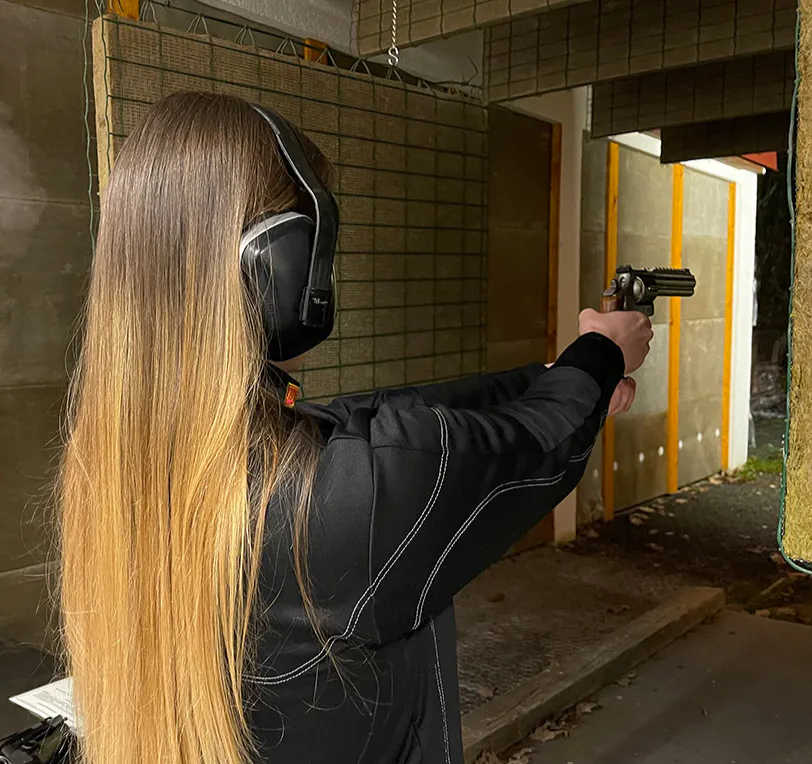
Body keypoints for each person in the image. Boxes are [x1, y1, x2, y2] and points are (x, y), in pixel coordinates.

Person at [56, 90, 650, 764]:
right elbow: (538, 443)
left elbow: (369, 414)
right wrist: (602, 352)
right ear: (275, 265)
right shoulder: (345, 496)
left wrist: (555, 369)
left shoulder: (113, 463)